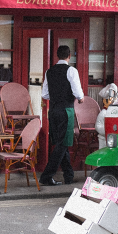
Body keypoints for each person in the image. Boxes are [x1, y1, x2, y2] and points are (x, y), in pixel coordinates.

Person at [40, 45, 84, 186]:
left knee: (61, 143)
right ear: (69, 56)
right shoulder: (71, 70)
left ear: (57, 56)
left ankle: (68, 176)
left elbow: (45, 94)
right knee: (63, 143)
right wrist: (81, 98)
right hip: (66, 111)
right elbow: (77, 92)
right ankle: (46, 176)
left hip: (53, 111)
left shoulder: (49, 71)